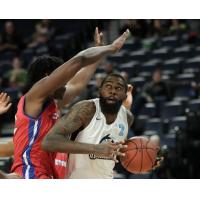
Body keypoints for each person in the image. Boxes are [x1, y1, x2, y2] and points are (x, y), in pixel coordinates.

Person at [7, 28, 130, 179]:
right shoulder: (34, 96)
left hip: (44, 173)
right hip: (31, 172)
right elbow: (79, 61)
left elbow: (78, 85)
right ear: (49, 77)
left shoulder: (50, 102)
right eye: (63, 80)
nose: (66, 84)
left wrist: (97, 54)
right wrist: (110, 48)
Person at [42, 73, 134, 178]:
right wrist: (96, 149)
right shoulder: (87, 109)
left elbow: (122, 151)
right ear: (100, 90)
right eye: (108, 86)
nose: (112, 91)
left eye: (118, 88)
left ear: (125, 95)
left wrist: (148, 159)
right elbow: (48, 142)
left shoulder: (127, 117)